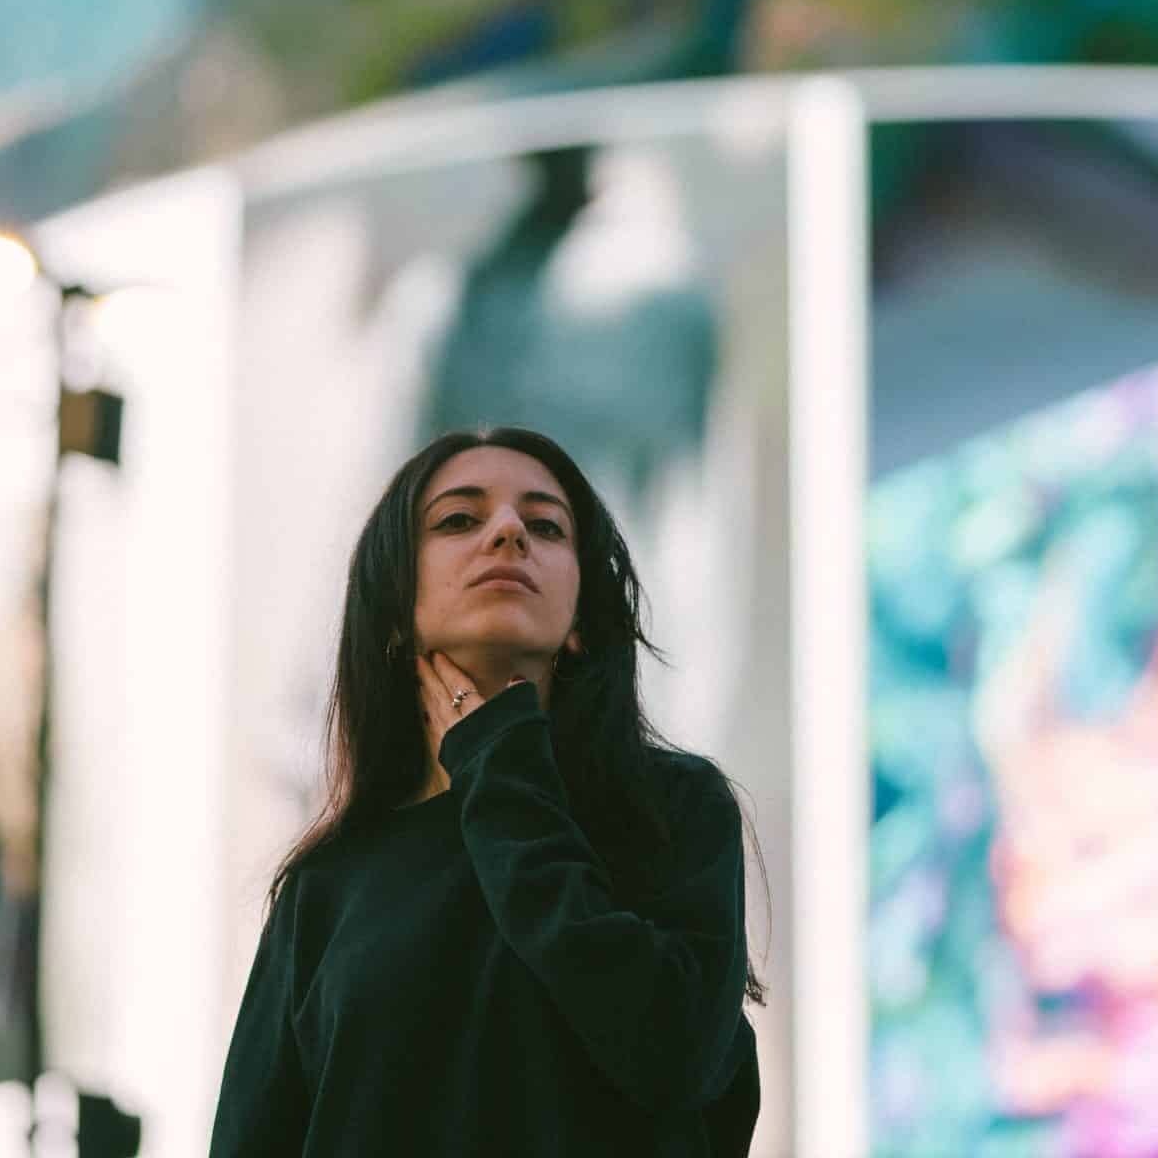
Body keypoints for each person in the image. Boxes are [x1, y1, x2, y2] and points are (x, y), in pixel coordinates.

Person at [212, 427, 764, 1156]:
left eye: (546, 526)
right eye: (458, 519)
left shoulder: (674, 810)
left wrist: (498, 772)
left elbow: (676, 1056)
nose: (507, 531)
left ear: (579, 618)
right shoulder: (326, 886)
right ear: (395, 604)